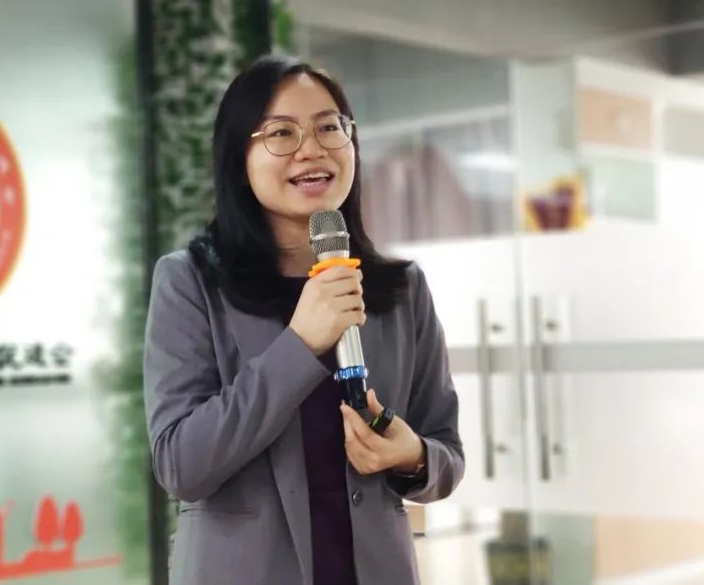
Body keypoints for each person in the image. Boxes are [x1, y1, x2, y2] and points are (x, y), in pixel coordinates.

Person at [143, 55, 465, 585]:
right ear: (239, 158)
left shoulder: (401, 288)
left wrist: (412, 456)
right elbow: (181, 465)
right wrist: (300, 343)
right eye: (281, 133)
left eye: (328, 127)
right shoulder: (190, 282)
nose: (311, 149)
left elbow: (446, 454)